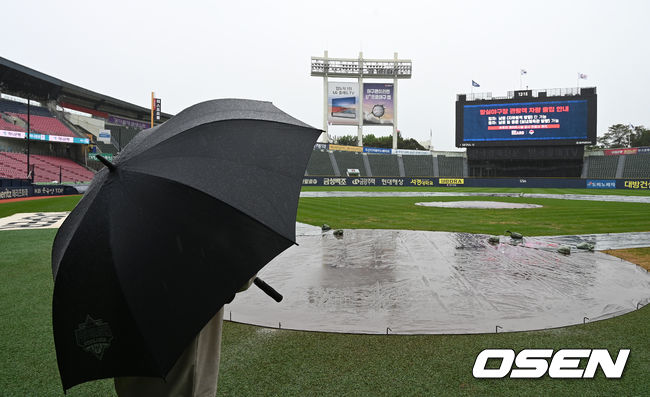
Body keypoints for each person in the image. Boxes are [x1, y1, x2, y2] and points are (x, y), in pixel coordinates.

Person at [114, 277, 255, 397]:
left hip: (131, 378)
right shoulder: (198, 246)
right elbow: (242, 276)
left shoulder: (113, 251)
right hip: (185, 380)